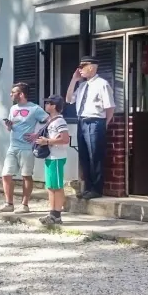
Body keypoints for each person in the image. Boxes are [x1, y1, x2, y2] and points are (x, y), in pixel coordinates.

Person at [0, 83, 48, 213]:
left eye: (13, 92)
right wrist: (9, 125)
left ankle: (25, 205)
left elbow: (50, 120)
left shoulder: (35, 109)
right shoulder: (13, 108)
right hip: (13, 146)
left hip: (27, 148)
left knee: (26, 175)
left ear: (21, 94)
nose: (11, 94)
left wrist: (37, 134)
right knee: (6, 175)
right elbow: (12, 126)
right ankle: (9, 204)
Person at [66, 56, 114, 200]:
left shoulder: (102, 84)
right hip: (82, 121)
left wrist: (104, 123)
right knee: (84, 156)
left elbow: (110, 107)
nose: (79, 70)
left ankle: (96, 189)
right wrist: (73, 80)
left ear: (92, 67)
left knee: (95, 156)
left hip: (95, 121)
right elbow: (68, 99)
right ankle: (87, 188)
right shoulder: (81, 86)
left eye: (82, 67)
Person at [35, 95, 70, 225]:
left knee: (57, 186)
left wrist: (47, 141)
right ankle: (52, 214)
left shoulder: (60, 121)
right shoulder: (51, 120)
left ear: (54, 105)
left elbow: (65, 139)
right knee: (50, 186)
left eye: (48, 103)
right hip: (51, 156)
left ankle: (57, 215)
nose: (46, 105)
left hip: (57, 156)